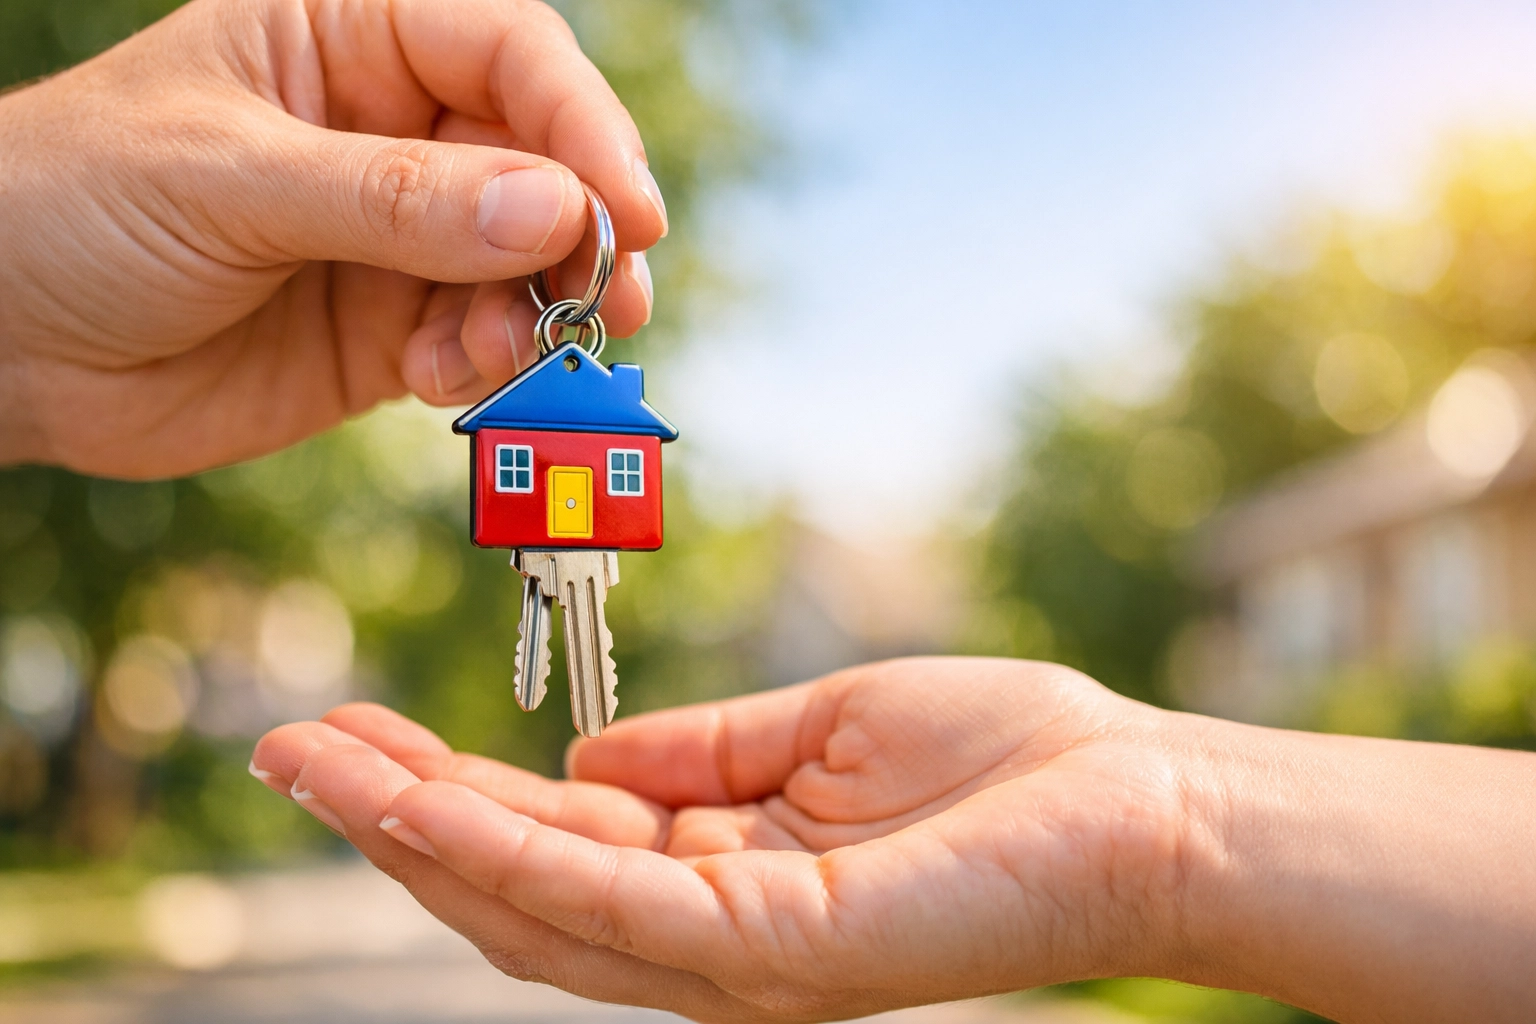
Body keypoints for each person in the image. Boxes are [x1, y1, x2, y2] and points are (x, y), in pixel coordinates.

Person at [2, 2, 1533, 1022]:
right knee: (567, 636)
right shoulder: (551, 403)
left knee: (568, 642)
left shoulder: (568, 420)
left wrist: (1174, 830)